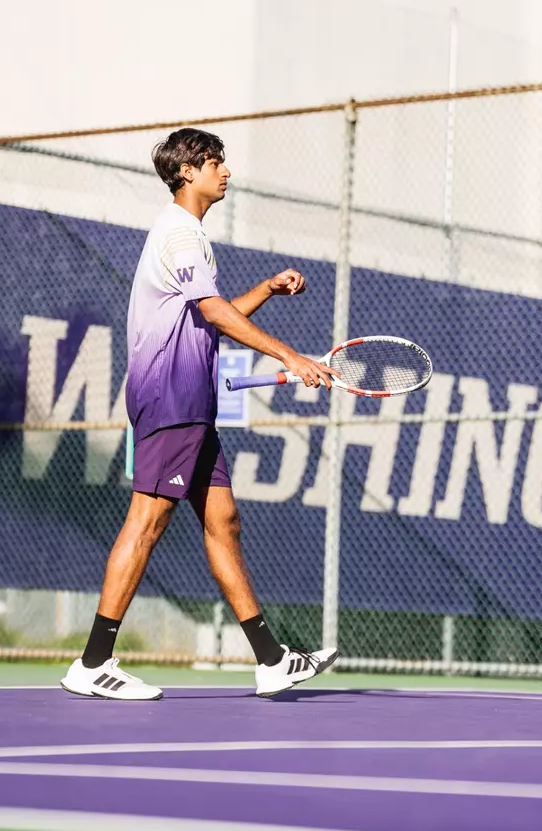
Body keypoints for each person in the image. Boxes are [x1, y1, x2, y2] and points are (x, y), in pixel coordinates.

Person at [61, 128, 338, 701]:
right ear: (188, 171)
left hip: (191, 403)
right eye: (216, 162)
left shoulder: (189, 235)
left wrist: (265, 288)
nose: (226, 171)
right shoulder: (180, 234)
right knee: (147, 522)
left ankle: (271, 660)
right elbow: (213, 311)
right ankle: (92, 663)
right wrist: (291, 357)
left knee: (223, 520)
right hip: (170, 395)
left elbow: (210, 313)